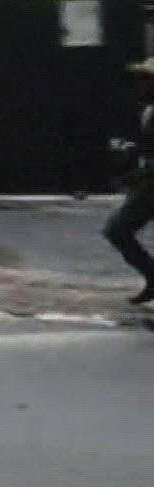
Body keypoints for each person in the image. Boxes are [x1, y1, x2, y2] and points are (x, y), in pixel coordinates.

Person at [105, 59, 154, 305]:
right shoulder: (148, 111)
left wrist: (134, 177)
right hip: (148, 184)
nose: (140, 85)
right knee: (118, 230)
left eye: (145, 80)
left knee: (118, 229)